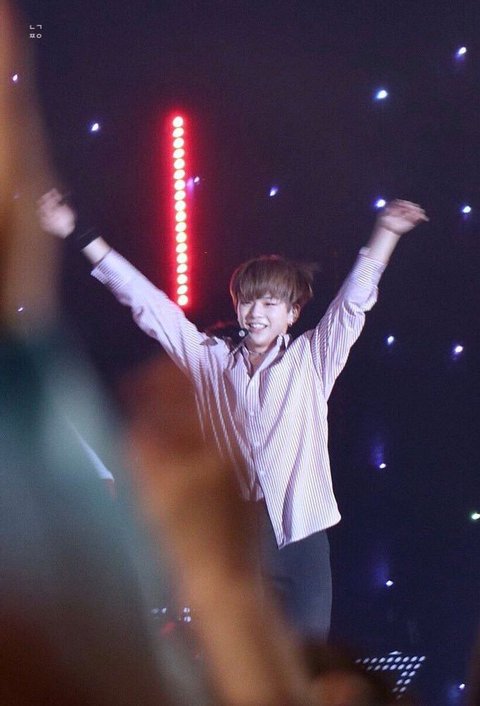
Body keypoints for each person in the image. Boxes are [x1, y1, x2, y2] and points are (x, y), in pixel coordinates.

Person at [38, 188, 428, 638]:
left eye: (269, 304)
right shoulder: (210, 360)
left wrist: (386, 233)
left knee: (306, 660)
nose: (255, 313)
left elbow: (351, 306)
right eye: (247, 301)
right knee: (243, 661)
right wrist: (79, 233)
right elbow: (145, 301)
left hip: (301, 536)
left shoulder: (311, 359)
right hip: (236, 540)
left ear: (292, 313)